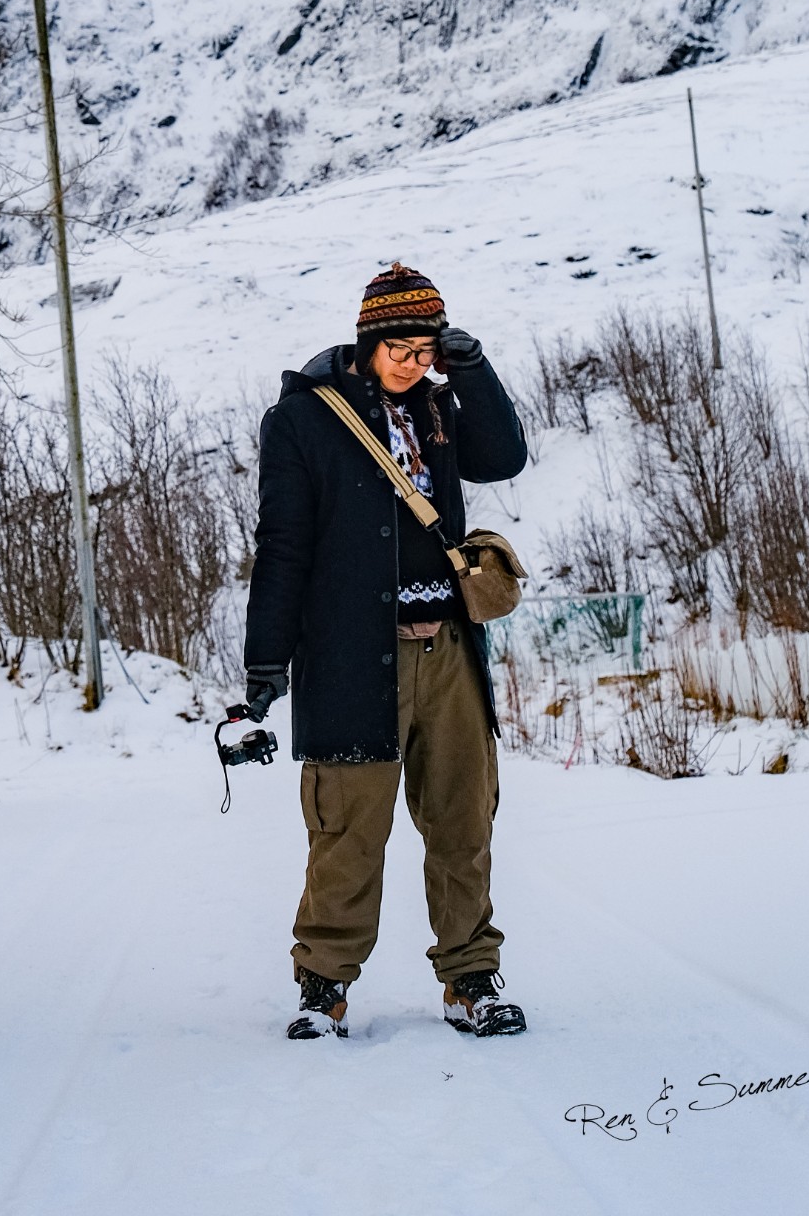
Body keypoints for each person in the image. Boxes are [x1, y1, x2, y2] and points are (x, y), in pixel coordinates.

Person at [243, 260, 529, 1041]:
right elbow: (283, 543)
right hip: (348, 659)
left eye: (426, 347)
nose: (412, 361)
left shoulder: (440, 406)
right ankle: (323, 987)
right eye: (400, 346)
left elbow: (502, 457)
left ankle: (471, 978)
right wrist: (266, 660)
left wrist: (474, 370)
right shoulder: (303, 421)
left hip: (448, 656)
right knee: (346, 833)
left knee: (463, 823)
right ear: (369, 341)